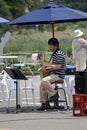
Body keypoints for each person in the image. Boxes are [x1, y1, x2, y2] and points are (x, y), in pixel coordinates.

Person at [38, 38, 66, 111]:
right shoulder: (55, 53)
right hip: (54, 74)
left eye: (50, 46)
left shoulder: (59, 54)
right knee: (42, 83)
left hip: (58, 75)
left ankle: (54, 94)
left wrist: (47, 64)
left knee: (44, 81)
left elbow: (58, 66)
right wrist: (49, 70)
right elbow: (54, 66)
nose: (49, 47)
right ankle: (44, 103)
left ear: (55, 45)